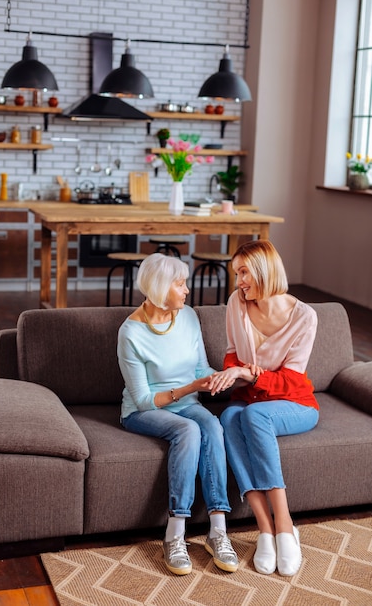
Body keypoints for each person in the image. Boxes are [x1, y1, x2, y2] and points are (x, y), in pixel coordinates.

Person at [117, 253, 238, 576]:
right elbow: (143, 399)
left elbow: (200, 368)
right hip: (145, 411)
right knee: (188, 431)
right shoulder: (131, 334)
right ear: (159, 288)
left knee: (211, 426)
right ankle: (175, 534)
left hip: (187, 404)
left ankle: (218, 531)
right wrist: (190, 388)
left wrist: (224, 377)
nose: (187, 290)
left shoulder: (187, 317)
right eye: (180, 284)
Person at [209, 240, 319, 577]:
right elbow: (231, 353)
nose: (239, 281)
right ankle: (265, 528)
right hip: (248, 401)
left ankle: (284, 523)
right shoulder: (236, 304)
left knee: (254, 414)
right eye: (236, 273)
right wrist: (235, 371)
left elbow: (290, 381)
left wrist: (247, 373)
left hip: (294, 405)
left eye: (243, 272)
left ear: (264, 270)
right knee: (228, 416)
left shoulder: (304, 317)